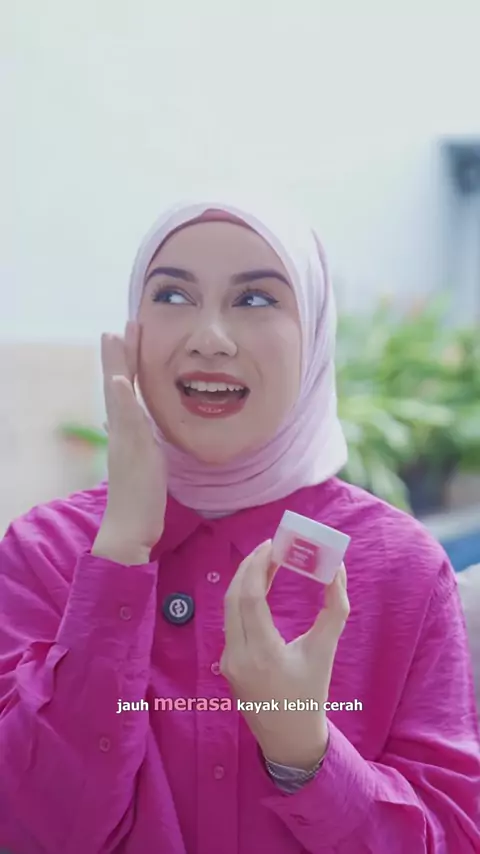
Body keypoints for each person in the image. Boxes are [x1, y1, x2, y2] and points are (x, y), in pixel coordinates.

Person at [0, 194, 479, 854]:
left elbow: (454, 839)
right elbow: (27, 827)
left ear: (313, 336)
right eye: (172, 295)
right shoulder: (44, 553)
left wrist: (304, 750)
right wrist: (120, 553)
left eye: (255, 299)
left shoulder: (402, 568)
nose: (210, 338)